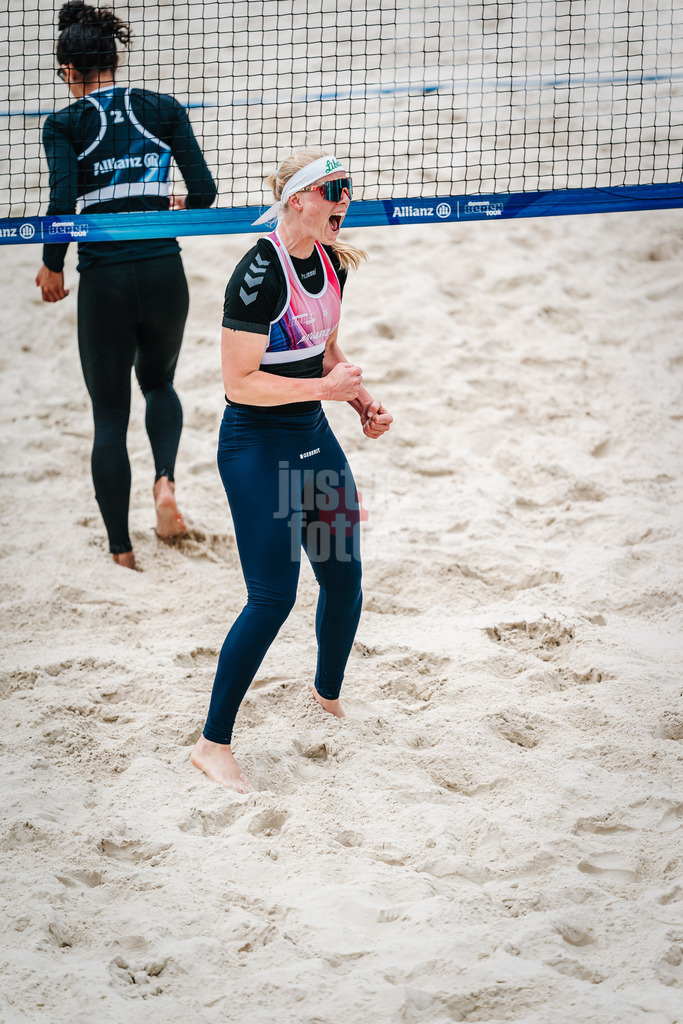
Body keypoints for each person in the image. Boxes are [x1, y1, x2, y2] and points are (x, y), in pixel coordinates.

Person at [191, 149, 393, 793]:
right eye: (334, 190)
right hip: (258, 449)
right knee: (273, 596)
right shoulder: (257, 274)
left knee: (344, 575)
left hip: (312, 439)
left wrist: (358, 398)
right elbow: (239, 383)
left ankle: (327, 697)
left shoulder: (331, 260)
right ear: (299, 199)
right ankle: (212, 743)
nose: (346, 200)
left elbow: (325, 349)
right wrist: (326, 393)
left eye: (349, 189)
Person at [35, 1, 217, 569]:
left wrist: (52, 263)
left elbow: (62, 203)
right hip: (165, 270)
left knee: (109, 418)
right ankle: (165, 484)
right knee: (159, 385)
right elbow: (205, 192)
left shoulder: (65, 123)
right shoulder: (161, 108)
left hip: (106, 279)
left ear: (67, 69)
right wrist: (180, 204)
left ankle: (121, 552)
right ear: (114, 58)